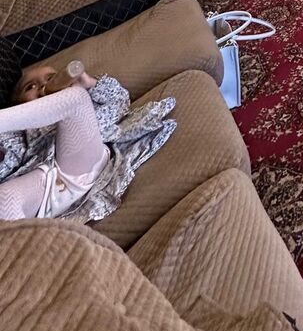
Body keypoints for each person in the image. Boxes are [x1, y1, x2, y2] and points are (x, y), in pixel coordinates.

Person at [0, 59, 176, 222]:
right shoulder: (19, 135)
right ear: (17, 106)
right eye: (30, 87)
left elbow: (120, 102)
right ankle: (27, 241)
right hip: (43, 186)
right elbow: (8, 160)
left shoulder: (89, 102)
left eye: (51, 78)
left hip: (82, 165)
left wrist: (89, 84)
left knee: (76, 98)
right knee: (4, 198)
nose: (42, 86)